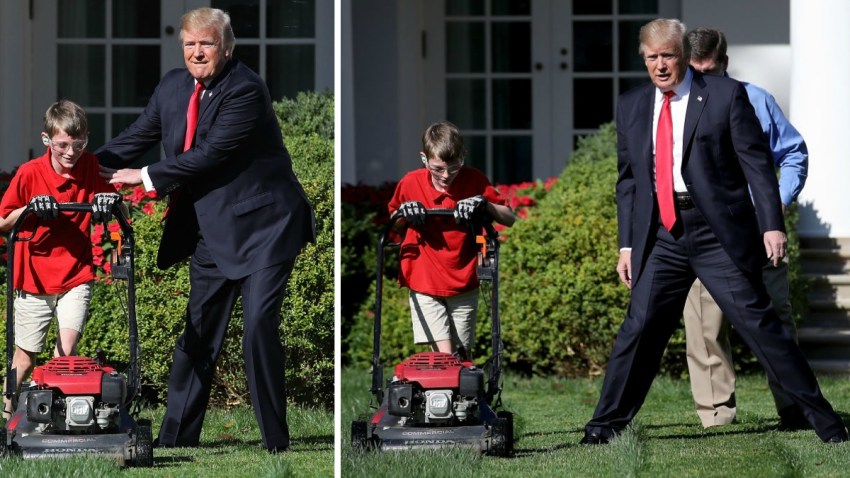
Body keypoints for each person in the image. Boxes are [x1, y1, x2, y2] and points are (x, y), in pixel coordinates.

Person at [579, 18, 847, 445]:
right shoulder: (632, 105)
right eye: (652, 57)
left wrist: (771, 226)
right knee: (639, 329)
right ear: (643, 59)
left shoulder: (724, 95)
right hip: (663, 236)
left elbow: (756, 163)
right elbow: (629, 181)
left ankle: (826, 423)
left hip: (717, 235)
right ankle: (603, 426)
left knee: (762, 327)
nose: (661, 65)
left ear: (683, 55)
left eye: (668, 55)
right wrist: (627, 244)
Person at [95, 7, 315, 452]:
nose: (197, 52)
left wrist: (146, 176)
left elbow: (210, 155)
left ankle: (276, 441)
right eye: (190, 44)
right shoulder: (173, 86)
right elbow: (137, 137)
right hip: (211, 232)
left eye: (207, 44)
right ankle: (176, 439)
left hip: (266, 227)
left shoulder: (246, 89)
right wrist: (81, 168)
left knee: (257, 328)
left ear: (227, 47)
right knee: (197, 335)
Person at [683, 27, 809, 430]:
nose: (703, 78)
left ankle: (794, 407)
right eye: (695, 70)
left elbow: (793, 153)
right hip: (701, 232)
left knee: (775, 321)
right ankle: (717, 414)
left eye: (711, 69)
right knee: (705, 326)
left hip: (756, 232)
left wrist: (774, 205)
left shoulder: (756, 99)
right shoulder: (671, 106)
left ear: (725, 62)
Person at [1, 100, 122, 419]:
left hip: (75, 275)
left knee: (66, 353)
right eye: (62, 145)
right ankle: (7, 414)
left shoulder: (90, 167)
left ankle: (58, 415)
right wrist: (28, 209)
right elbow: (2, 221)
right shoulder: (30, 174)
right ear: (47, 141)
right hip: (34, 279)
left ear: (86, 139)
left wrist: (110, 202)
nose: (70, 152)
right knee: (25, 358)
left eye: (78, 144)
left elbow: (121, 212)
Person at [387, 121, 515, 360]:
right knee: (446, 358)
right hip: (423, 279)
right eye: (438, 169)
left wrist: (484, 203)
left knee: (462, 357)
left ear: (462, 156)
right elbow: (393, 224)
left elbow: (509, 218)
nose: (446, 176)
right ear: (424, 158)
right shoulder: (410, 183)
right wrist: (405, 212)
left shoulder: (474, 180)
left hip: (464, 279)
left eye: (454, 168)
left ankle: (462, 397)